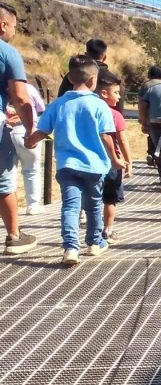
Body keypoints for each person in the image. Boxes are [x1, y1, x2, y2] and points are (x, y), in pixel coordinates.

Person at [25, 56, 123, 265]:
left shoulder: (58, 104)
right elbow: (107, 136)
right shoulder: (99, 105)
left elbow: (42, 130)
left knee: (70, 207)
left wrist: (30, 141)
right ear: (93, 80)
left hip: (67, 165)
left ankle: (71, 248)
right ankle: (94, 243)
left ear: (69, 77)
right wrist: (115, 159)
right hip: (95, 165)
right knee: (94, 206)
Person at [0, 1, 37, 254]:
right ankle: (14, 236)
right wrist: (31, 130)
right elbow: (21, 98)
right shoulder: (7, 52)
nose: (14, 31)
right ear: (3, 25)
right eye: (13, 26)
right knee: (3, 182)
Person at [96, 73, 131, 242]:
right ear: (104, 93)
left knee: (93, 198)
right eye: (116, 93)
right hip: (112, 161)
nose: (118, 97)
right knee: (110, 200)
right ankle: (107, 230)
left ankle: (92, 229)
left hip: (90, 161)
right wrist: (128, 161)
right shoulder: (115, 115)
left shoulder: (89, 111)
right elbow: (122, 139)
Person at [7, 82, 47, 214]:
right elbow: (41, 109)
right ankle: (33, 204)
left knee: (8, 172)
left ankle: (9, 206)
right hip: (27, 130)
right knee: (32, 170)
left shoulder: (3, 89)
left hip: (6, 131)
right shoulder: (28, 88)